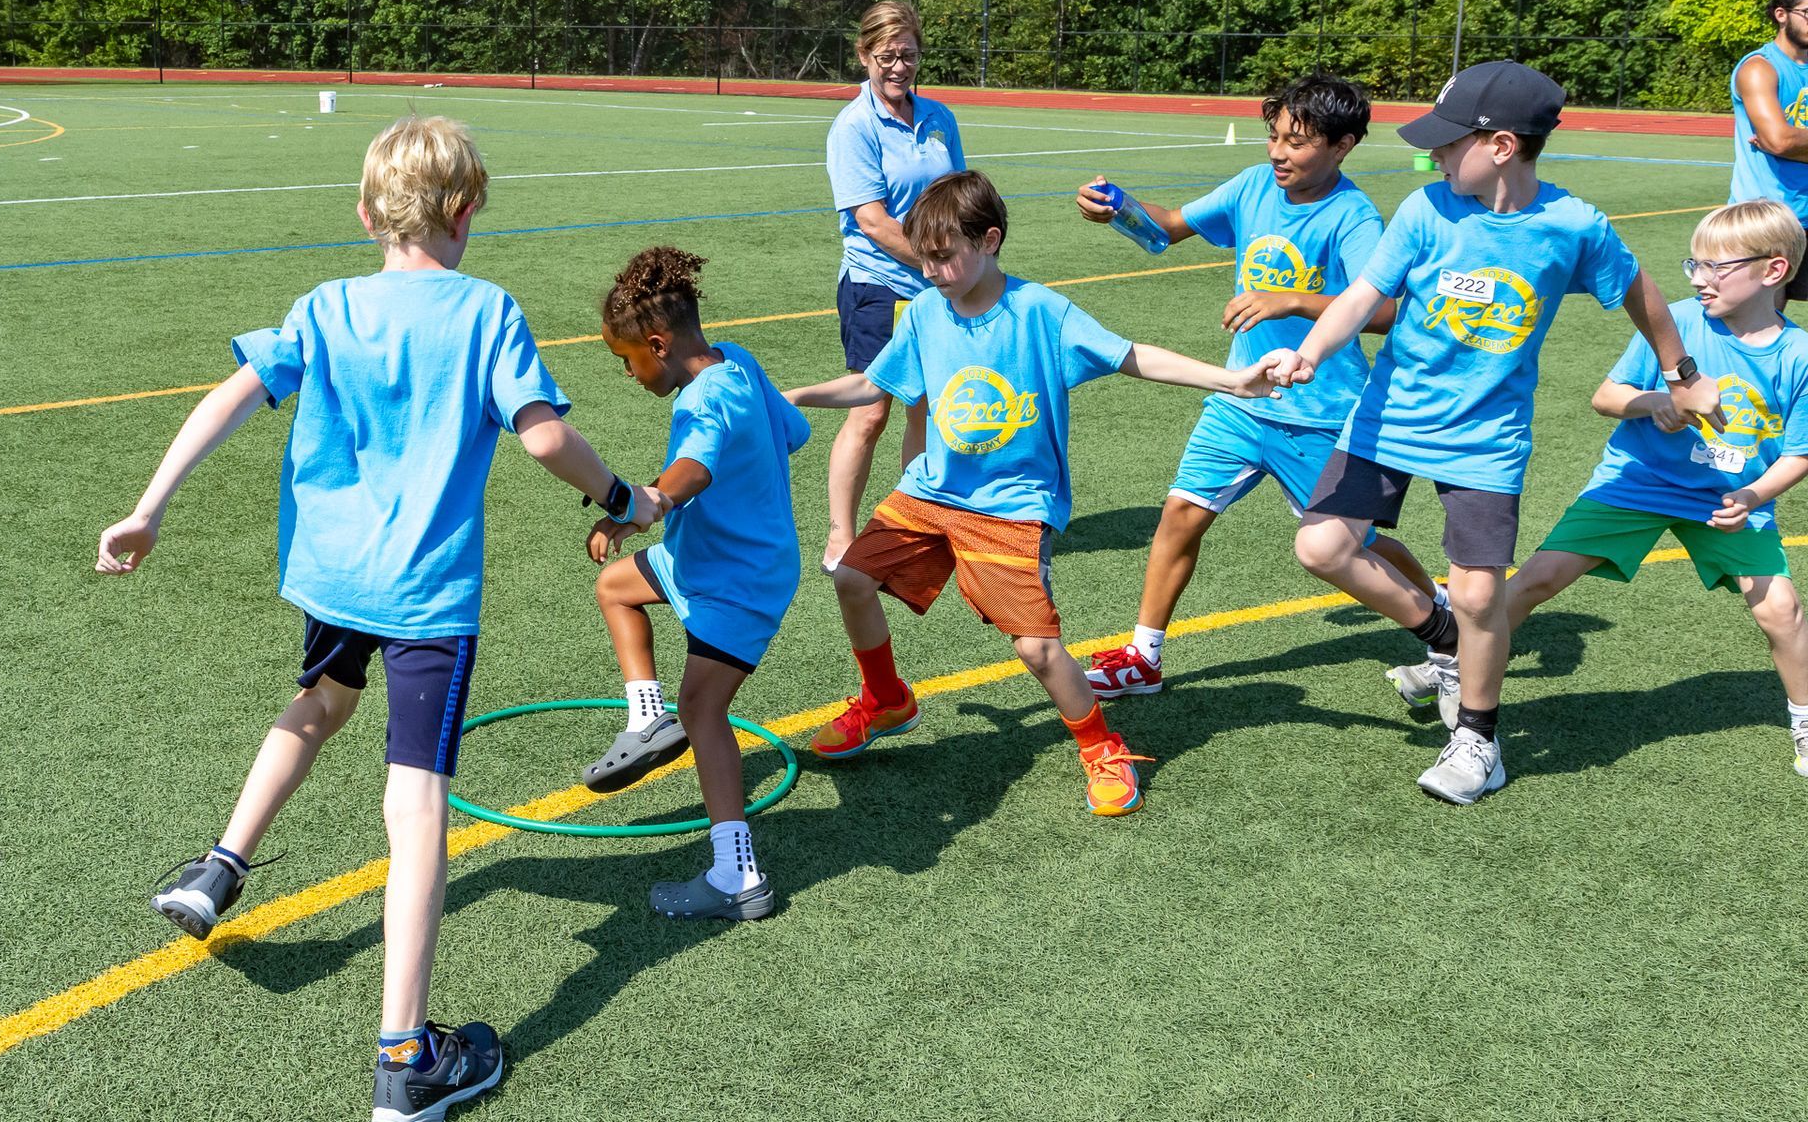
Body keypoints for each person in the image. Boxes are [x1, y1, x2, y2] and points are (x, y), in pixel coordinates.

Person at [97, 116, 666, 1121]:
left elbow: (231, 395)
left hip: (335, 572)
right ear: (468, 209)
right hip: (424, 596)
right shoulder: (487, 309)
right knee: (416, 802)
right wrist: (623, 496)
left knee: (318, 701)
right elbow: (543, 440)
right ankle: (406, 1058)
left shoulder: (325, 305)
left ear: (367, 215)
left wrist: (149, 506)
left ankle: (219, 866)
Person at [1262, 60, 1722, 805]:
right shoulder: (1425, 209)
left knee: (1482, 597)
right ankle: (1439, 637)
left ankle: (1477, 739)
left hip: (1485, 439)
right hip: (1387, 419)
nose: (1434, 155)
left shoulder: (1572, 225)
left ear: (1502, 145)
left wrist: (1681, 373)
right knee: (1320, 545)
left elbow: (1641, 293)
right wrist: (1309, 353)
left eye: (1449, 142)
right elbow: (1362, 295)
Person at [785, 170, 1283, 817]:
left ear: (989, 240)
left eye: (943, 255)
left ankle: (1103, 747)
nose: (931, 270)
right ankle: (886, 700)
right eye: (923, 257)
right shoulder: (927, 311)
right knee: (851, 577)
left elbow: (1134, 356)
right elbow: (871, 387)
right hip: (934, 491)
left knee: (1037, 649)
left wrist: (1232, 380)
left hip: (1012, 506)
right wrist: (791, 397)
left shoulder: (1042, 312)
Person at [1071, 73, 1442, 698]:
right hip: (1240, 399)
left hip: (1319, 413)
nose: (1277, 153)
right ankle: (1144, 656)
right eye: (1274, 137)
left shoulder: (1352, 215)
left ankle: (1440, 614)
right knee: (1182, 513)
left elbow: (1385, 310)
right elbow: (1165, 229)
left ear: (1343, 145)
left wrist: (1293, 301)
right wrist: (1122, 210)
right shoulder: (1251, 186)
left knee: (1361, 545)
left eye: (1297, 143)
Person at [1497, 201, 1808, 775]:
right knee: (1537, 578)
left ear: (1773, 270)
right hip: (1637, 482)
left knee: (1781, 610)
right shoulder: (1679, 323)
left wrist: (1754, 497)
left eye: (1718, 267)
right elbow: (1605, 397)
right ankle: (1453, 664)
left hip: (1728, 498)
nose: (1698, 278)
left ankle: (1804, 720)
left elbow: (1799, 453)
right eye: (1695, 264)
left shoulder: (1799, 354)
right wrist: (1655, 402)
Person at [583, 245, 809, 922]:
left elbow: (695, 468)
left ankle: (736, 876)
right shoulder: (738, 360)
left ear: (657, 343)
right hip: (706, 561)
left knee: (706, 713)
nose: (628, 372)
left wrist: (644, 500)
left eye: (628, 359)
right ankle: (647, 718)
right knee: (616, 589)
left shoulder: (702, 399)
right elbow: (791, 432)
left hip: (737, 582)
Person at [822, 0, 965, 570]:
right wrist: (939, 266)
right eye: (886, 56)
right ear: (864, 56)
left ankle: (920, 521)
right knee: (870, 410)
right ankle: (840, 536)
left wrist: (967, 253)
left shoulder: (938, 117)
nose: (898, 67)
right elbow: (872, 220)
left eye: (907, 55)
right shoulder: (854, 126)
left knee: (925, 410)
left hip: (935, 289)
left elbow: (955, 196)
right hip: (877, 287)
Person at [1731, 0, 1808, 306]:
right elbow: (1778, 141)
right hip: (1767, 219)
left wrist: (1793, 142)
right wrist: (1785, 141)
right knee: (1761, 324)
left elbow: (1787, 140)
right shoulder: (1759, 68)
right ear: (1781, 14)